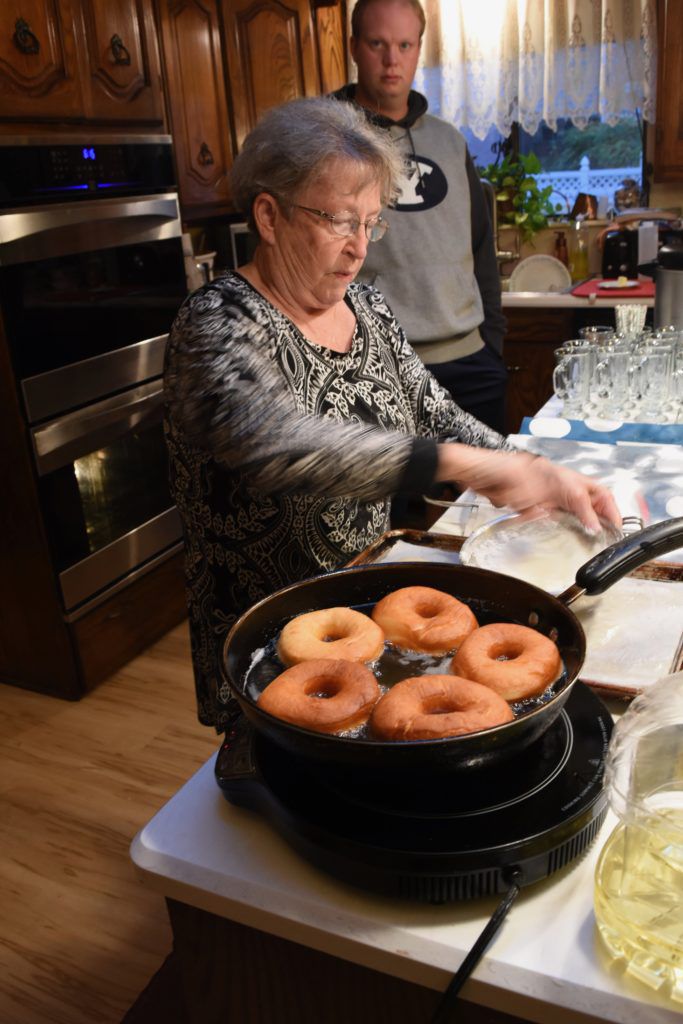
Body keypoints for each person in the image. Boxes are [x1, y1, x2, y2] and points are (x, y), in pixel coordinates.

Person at [164, 96, 620, 732]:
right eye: (339, 221)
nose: (358, 248)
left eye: (371, 224)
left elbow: (433, 412)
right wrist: (470, 466)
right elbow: (280, 448)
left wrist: (531, 467)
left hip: (371, 609)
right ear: (269, 215)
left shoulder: (368, 309)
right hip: (267, 638)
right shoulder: (217, 323)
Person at [333, 0, 508, 435]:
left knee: (491, 500)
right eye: (378, 44)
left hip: (470, 361)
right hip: (378, 368)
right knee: (391, 505)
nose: (393, 60)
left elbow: (481, 249)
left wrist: (493, 342)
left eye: (405, 45)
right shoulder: (326, 136)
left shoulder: (449, 141)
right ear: (354, 47)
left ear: (418, 49)